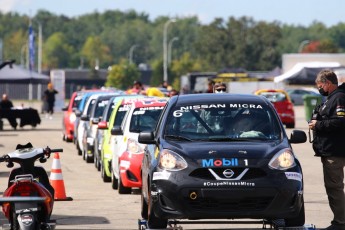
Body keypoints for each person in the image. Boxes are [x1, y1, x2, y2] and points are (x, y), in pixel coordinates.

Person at [308, 69, 345, 230]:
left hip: (335, 152)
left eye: (320, 85)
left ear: (328, 83)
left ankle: (340, 222)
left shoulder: (339, 98)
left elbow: (340, 122)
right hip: (330, 150)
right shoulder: (331, 98)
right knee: (334, 187)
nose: (319, 88)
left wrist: (319, 125)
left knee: (334, 188)